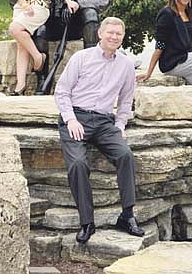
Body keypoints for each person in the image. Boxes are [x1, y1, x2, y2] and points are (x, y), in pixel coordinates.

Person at [54, 17, 143, 244]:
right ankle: (87, 222)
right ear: (100, 34)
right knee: (78, 164)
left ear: (122, 38)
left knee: (125, 155)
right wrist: (71, 120)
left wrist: (120, 126)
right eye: (110, 32)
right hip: (76, 117)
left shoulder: (125, 65)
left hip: (104, 122)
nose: (114, 37)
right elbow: (62, 91)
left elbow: (125, 100)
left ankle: (127, 215)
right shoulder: (81, 58)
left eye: (118, 34)